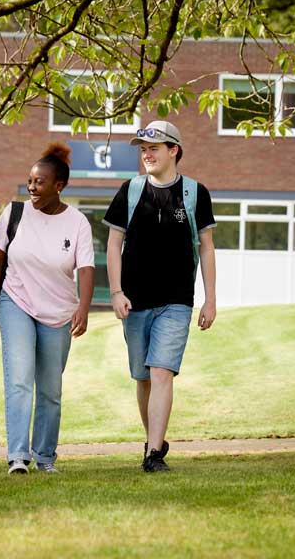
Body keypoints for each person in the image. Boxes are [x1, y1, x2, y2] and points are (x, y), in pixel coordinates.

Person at [102, 120, 217, 472]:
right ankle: (154, 437)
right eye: (143, 149)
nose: (147, 155)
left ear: (173, 150)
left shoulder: (195, 193)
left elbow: (207, 247)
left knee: (161, 371)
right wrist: (116, 292)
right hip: (135, 300)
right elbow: (113, 244)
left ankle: (153, 454)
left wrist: (210, 299)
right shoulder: (130, 190)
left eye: (153, 148)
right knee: (143, 377)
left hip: (176, 300)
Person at [0, 142, 95, 474]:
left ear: (59, 185)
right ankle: (18, 456)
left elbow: (86, 268)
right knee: (19, 380)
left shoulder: (77, 222)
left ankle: (45, 457)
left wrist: (84, 307)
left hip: (58, 311)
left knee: (50, 389)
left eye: (39, 182)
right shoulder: (14, 213)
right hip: (16, 301)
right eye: (30, 181)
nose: (32, 187)